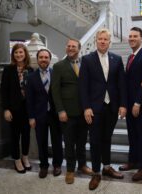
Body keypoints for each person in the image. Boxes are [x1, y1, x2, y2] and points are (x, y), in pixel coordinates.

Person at [79, 28, 127, 190]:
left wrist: (122, 105)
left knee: (107, 138)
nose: (102, 41)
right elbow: (83, 87)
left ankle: (107, 167)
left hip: (111, 107)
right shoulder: (87, 60)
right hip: (94, 108)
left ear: (109, 42)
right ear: (96, 41)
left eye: (105, 39)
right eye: (100, 39)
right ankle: (96, 172)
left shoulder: (117, 59)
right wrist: (86, 107)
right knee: (94, 141)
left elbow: (121, 84)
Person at [51, 39, 92, 184]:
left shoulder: (86, 64)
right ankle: (69, 169)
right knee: (69, 143)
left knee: (82, 141)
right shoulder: (58, 66)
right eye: (68, 46)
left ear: (79, 48)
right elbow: (55, 91)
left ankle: (82, 165)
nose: (70, 48)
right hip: (67, 113)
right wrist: (60, 110)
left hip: (84, 111)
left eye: (74, 46)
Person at [118, 27, 142, 181]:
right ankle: (133, 161)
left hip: (140, 105)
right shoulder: (131, 57)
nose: (132, 38)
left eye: (135, 36)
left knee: (141, 136)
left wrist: (138, 103)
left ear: (141, 38)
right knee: (132, 134)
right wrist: (125, 104)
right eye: (130, 36)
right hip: (130, 103)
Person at [26, 49, 63, 178]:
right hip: (39, 115)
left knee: (57, 140)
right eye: (41, 57)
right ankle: (44, 166)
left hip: (55, 114)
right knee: (41, 141)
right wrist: (31, 117)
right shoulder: (31, 78)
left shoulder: (56, 74)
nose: (43, 59)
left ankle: (57, 165)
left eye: (46, 57)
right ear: (37, 59)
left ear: (49, 59)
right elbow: (29, 100)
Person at [1, 43, 33, 174]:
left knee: (26, 135)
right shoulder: (8, 69)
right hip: (13, 109)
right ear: (13, 55)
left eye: (21, 52)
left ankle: (25, 157)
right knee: (15, 135)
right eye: (16, 53)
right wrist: (6, 109)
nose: (19, 55)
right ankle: (16, 159)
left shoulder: (30, 70)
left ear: (25, 54)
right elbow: (4, 90)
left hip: (28, 108)